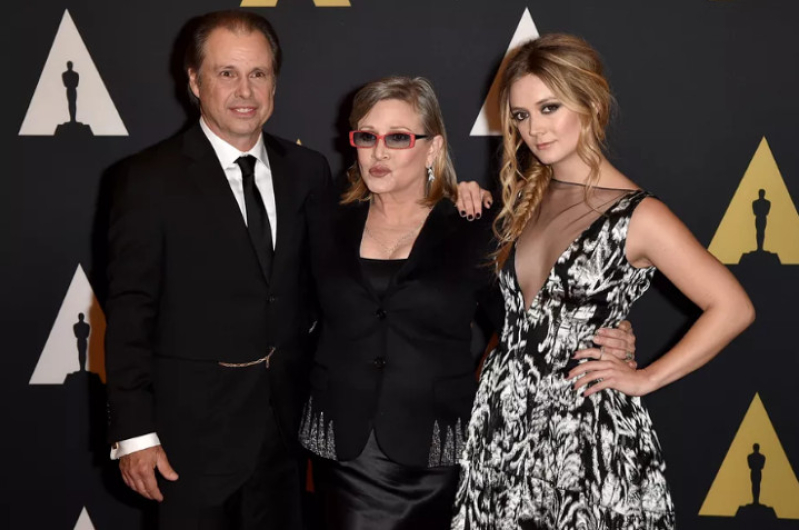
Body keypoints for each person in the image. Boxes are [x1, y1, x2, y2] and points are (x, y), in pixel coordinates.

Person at [298, 76, 636, 529]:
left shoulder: (477, 225)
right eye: (367, 137)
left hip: (439, 450)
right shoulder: (322, 215)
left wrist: (607, 339)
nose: (379, 153)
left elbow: (522, 325)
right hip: (343, 451)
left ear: (433, 148)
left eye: (399, 138)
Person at [452, 34, 754, 529]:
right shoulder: (525, 198)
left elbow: (733, 307)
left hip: (584, 440)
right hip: (500, 433)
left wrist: (644, 377)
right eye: (522, 115)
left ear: (589, 103)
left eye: (549, 107)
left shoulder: (640, 215)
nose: (534, 129)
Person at [104, 10, 331, 529]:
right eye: (226, 73)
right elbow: (130, 315)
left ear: (275, 81)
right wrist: (136, 434)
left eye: (259, 73)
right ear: (193, 81)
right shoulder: (145, 181)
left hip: (287, 438)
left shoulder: (309, 171)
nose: (244, 90)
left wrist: (453, 196)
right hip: (189, 444)